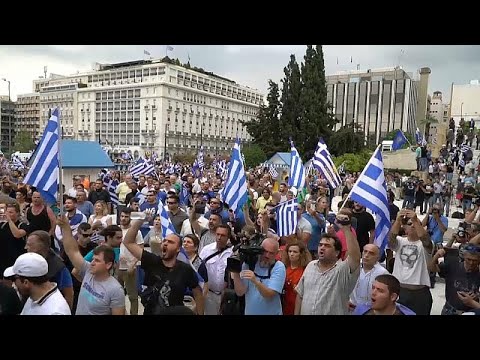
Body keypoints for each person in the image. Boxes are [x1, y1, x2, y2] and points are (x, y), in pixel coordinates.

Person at [123, 215, 204, 315]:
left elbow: (198, 293)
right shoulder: (152, 261)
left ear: (178, 248)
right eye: (164, 241)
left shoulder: (185, 269)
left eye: (170, 242)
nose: (165, 243)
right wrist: (140, 220)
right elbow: (128, 242)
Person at [57, 216, 125, 315]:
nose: (92, 262)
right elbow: (72, 251)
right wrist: (66, 227)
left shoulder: (115, 290)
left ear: (108, 265)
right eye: (93, 259)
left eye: (97, 260)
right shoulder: (88, 271)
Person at [294, 219, 361, 315]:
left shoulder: (342, 270)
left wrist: (346, 229)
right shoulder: (310, 266)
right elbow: (300, 294)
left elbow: (355, 257)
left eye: (327, 246)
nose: (322, 248)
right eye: (320, 245)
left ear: (337, 252)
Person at [388, 209, 433, 315]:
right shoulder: (400, 241)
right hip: (400, 291)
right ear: (404, 228)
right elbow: (391, 240)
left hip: (419, 294)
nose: (413, 225)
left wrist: (415, 219)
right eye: (409, 224)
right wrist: (398, 220)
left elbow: (426, 241)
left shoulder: (425, 245)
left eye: (416, 224)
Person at [231, 237, 286, 315]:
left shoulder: (278, 267)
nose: (267, 255)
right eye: (265, 251)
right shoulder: (250, 263)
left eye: (271, 253)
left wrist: (255, 281)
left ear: (277, 253)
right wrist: (235, 272)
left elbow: (269, 295)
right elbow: (240, 292)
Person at [3, 252, 71, 315]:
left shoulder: (56, 312)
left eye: (14, 279)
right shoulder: (34, 297)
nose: (13, 284)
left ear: (26, 282)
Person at [429, 244, 480, 315]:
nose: (471, 263)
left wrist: (477, 295)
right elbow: (432, 268)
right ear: (464, 256)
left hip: (471, 312)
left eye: (475, 260)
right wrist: (436, 256)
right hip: (450, 310)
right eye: (469, 259)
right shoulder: (453, 266)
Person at [199, 224, 233, 315]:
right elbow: (198, 270)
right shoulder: (206, 250)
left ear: (228, 237)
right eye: (217, 234)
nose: (219, 237)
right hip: (209, 294)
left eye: (223, 235)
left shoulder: (232, 253)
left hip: (226, 296)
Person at [349, 244, 389, 310]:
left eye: (371, 253)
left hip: (371, 310)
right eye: (365, 251)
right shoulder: (353, 267)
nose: (366, 255)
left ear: (378, 258)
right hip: (351, 308)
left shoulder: (382, 273)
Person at [280, 241, 311, 315]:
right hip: (284, 305)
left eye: (295, 252)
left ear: (301, 254)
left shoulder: (305, 270)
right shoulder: (283, 268)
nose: (291, 254)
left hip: (299, 306)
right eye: (290, 251)